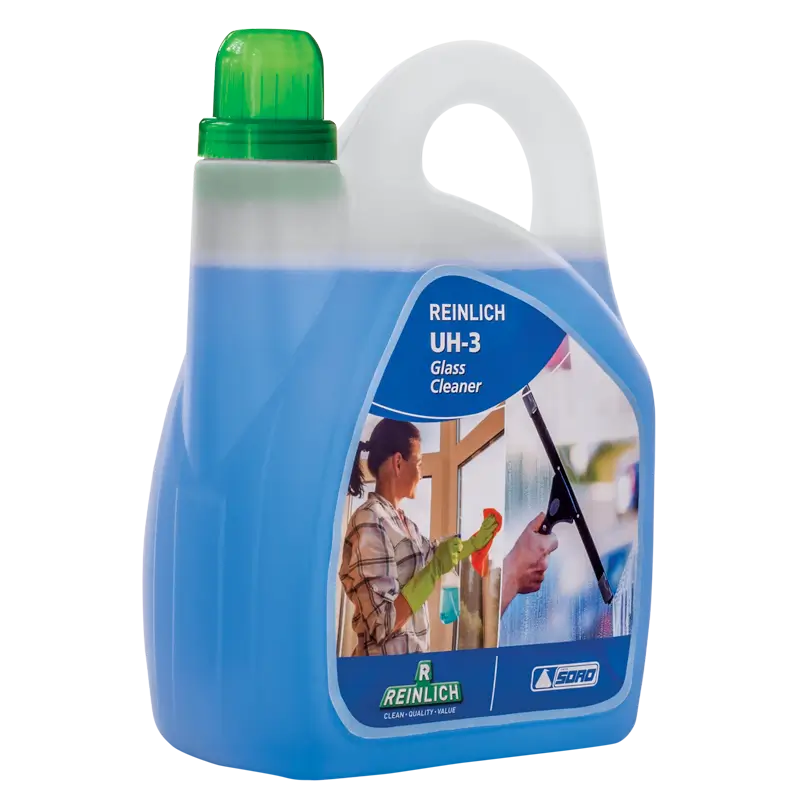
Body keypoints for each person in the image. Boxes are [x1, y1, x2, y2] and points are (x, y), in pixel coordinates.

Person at [338, 418, 557, 656]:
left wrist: (475, 543)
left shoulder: (404, 524)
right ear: (398, 462)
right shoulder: (369, 520)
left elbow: (435, 555)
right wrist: (433, 571)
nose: (420, 473)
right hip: (380, 670)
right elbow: (383, 622)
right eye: (419, 463)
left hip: (410, 666)